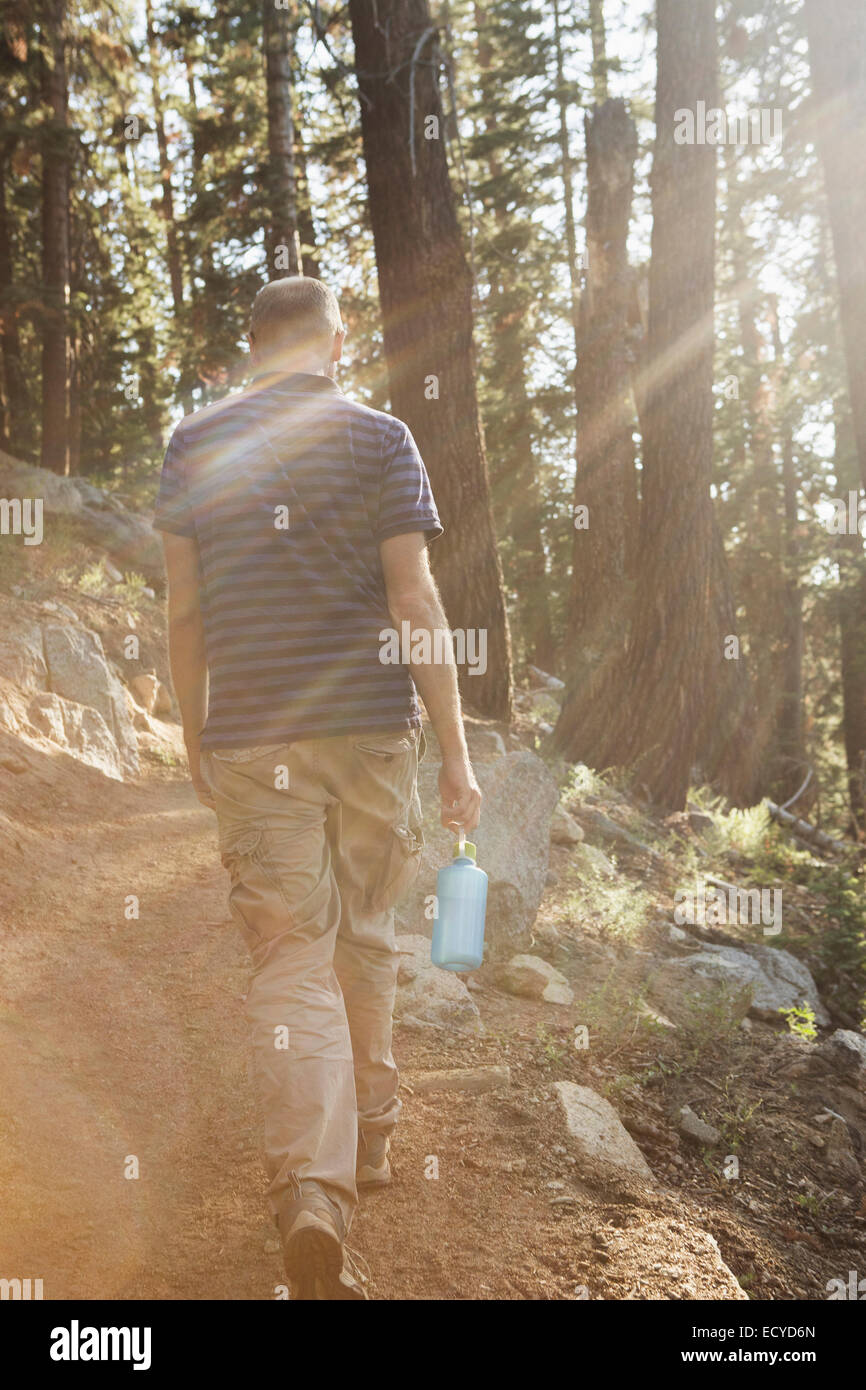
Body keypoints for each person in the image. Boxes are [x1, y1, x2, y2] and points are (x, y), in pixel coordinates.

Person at [154, 276, 482, 1299]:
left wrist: (193, 731)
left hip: (255, 733)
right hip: (373, 731)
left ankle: (311, 1187)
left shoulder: (193, 444)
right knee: (369, 929)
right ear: (338, 341)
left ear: (253, 348)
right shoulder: (380, 438)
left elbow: (183, 614)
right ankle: (372, 1137)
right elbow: (413, 595)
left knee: (291, 957)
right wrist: (458, 751)